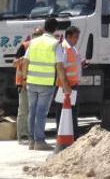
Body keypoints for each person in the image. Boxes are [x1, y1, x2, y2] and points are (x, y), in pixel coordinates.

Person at [20, 18, 70, 151]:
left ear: (44, 27)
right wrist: (65, 84)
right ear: (55, 29)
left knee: (32, 111)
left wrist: (24, 79)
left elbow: (25, 62)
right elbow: (59, 66)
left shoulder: (33, 42)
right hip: (46, 84)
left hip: (31, 82)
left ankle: (32, 141)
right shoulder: (55, 44)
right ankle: (39, 141)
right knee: (41, 113)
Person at [55, 26, 83, 151]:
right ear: (69, 36)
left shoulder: (72, 48)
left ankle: (74, 136)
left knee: (72, 112)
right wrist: (66, 85)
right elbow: (60, 68)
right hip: (66, 86)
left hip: (73, 84)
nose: (77, 39)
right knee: (64, 113)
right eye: (76, 37)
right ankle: (66, 137)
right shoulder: (64, 48)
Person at [14, 27, 43, 145]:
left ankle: (33, 135)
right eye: (36, 35)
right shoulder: (25, 46)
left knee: (36, 111)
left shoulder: (43, 48)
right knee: (24, 110)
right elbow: (14, 63)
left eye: (40, 35)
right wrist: (24, 58)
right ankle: (22, 135)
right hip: (24, 83)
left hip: (38, 82)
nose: (38, 37)